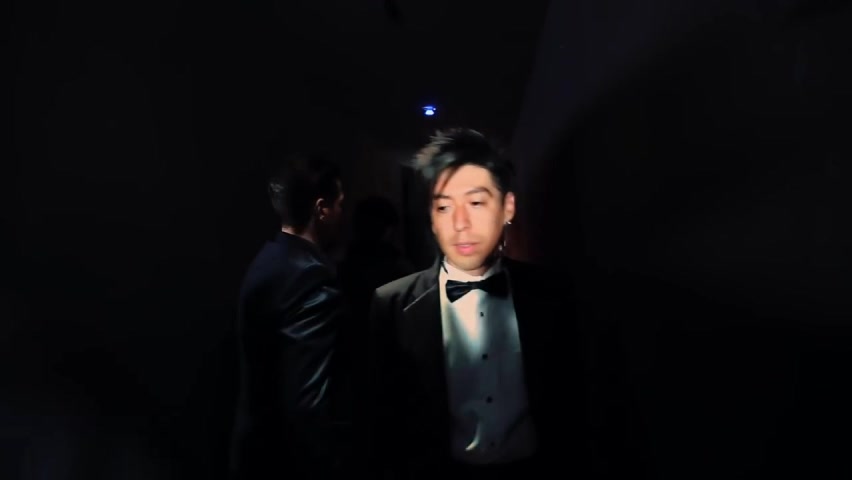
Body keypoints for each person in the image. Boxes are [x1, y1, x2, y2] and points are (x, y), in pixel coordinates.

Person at [366, 128, 590, 479]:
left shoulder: (553, 294)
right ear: (432, 218)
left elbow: (578, 406)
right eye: (444, 207)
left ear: (507, 207)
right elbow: (381, 420)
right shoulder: (392, 304)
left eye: (476, 203)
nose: (460, 223)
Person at [230, 153, 346, 479]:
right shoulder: (311, 277)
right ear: (321, 209)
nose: (343, 214)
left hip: (256, 453)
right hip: (289, 463)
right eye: (340, 204)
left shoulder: (269, 258)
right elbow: (308, 403)